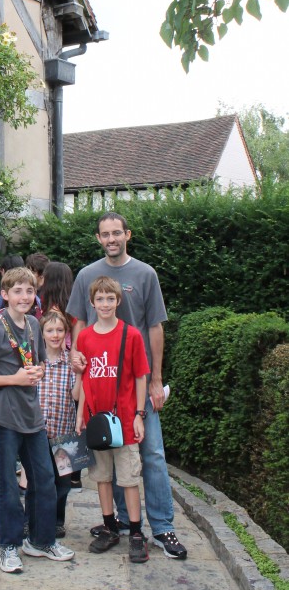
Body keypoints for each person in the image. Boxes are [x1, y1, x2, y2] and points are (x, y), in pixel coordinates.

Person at [67, 211, 188, 560]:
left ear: (127, 235)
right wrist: (76, 359)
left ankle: (163, 528)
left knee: (150, 454)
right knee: (109, 451)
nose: (111, 239)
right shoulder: (87, 275)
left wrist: (156, 380)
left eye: (117, 233)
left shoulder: (145, 274)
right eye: (105, 234)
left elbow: (155, 328)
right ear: (98, 238)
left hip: (135, 385)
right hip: (100, 387)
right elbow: (79, 324)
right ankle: (120, 523)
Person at [0, 267, 75, 573]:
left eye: (29, 291)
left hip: (33, 415)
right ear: (5, 295)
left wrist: (36, 373)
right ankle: (9, 546)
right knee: (8, 487)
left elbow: (37, 363)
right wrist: (12, 378)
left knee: (45, 480)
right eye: (17, 291)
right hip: (5, 417)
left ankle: (41, 540)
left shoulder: (32, 324)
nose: (24, 297)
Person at [75, 276, 150, 563]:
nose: (104, 304)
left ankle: (135, 532)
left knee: (129, 479)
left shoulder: (130, 335)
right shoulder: (85, 337)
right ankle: (108, 527)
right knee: (102, 478)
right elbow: (85, 380)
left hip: (125, 420)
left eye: (110, 298)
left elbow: (140, 377)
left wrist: (140, 415)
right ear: (92, 303)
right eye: (99, 299)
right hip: (97, 420)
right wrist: (82, 414)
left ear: (118, 301)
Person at [37, 309, 81, 539]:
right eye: (50, 330)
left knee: (63, 483)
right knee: (39, 480)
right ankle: (34, 520)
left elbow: (75, 396)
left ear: (66, 334)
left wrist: (80, 375)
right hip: (38, 432)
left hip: (65, 433)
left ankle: (57, 521)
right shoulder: (36, 361)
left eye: (60, 330)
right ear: (42, 333)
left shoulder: (69, 363)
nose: (55, 335)